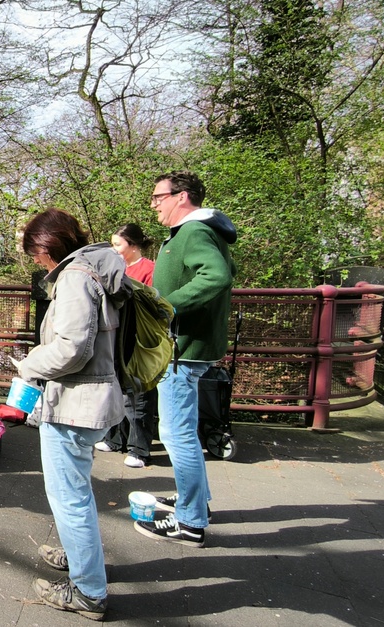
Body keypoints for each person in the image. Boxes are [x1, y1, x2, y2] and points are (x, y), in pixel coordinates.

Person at [16, 208, 128, 621]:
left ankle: (88, 592)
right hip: (90, 399)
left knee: (69, 497)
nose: (36, 261)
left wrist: (29, 365)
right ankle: (80, 557)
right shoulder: (94, 268)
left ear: (48, 246)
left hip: (75, 404)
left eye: (35, 253)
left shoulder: (75, 277)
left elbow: (72, 349)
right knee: (75, 492)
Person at [135, 170, 236, 548]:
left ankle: (190, 523)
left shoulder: (194, 232)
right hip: (189, 347)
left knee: (176, 435)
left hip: (182, 350)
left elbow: (218, 276)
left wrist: (166, 307)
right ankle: (197, 502)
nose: (154, 205)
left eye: (158, 197)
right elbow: (227, 271)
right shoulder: (199, 232)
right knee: (184, 431)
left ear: (181, 196)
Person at [97, 223, 157, 468]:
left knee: (139, 395)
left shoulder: (149, 269)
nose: (114, 249)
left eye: (117, 245)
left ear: (133, 245)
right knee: (116, 389)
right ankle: (115, 439)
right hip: (116, 337)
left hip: (138, 339)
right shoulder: (116, 268)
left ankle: (139, 449)